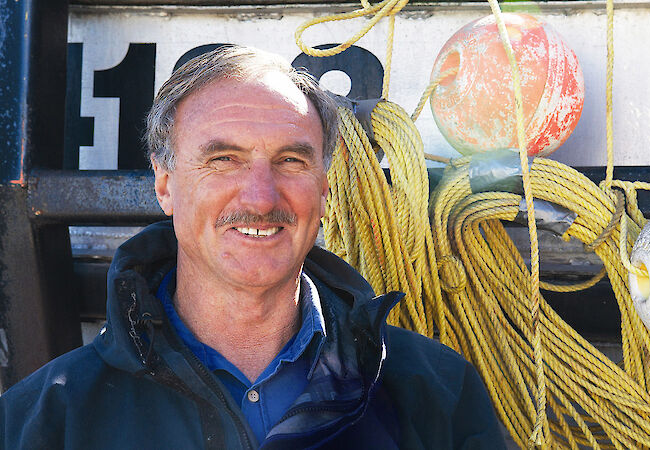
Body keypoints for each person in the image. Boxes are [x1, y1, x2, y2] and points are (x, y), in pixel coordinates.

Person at [0, 45, 505, 448]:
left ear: (324, 188)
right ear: (165, 183)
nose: (261, 198)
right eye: (224, 159)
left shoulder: (436, 396)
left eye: (290, 161)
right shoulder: (42, 423)